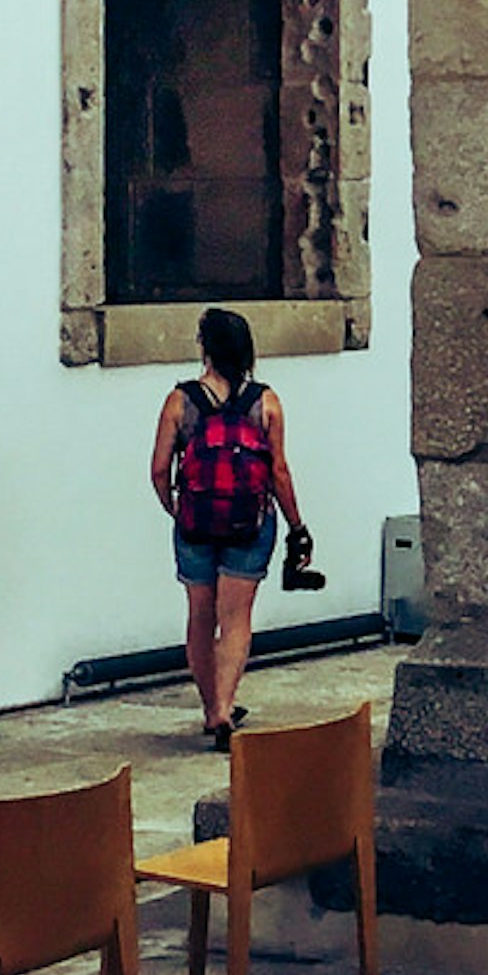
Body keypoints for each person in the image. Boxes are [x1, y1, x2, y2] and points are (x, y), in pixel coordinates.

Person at [149, 306, 306, 750]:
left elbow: (160, 469)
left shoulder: (180, 401)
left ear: (205, 347)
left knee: (200, 617)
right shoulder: (266, 401)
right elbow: (279, 471)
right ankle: (225, 706)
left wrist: (175, 509)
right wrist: (297, 525)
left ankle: (210, 709)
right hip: (250, 524)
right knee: (235, 620)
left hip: (196, 523)